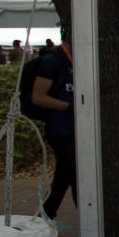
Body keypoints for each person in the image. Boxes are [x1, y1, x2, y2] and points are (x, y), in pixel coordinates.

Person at [31, 37, 75, 222]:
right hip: (60, 130)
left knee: (64, 175)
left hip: (73, 129)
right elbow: (38, 97)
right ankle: (91, 222)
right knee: (75, 174)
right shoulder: (52, 60)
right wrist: (68, 106)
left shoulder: (75, 58)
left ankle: (46, 214)